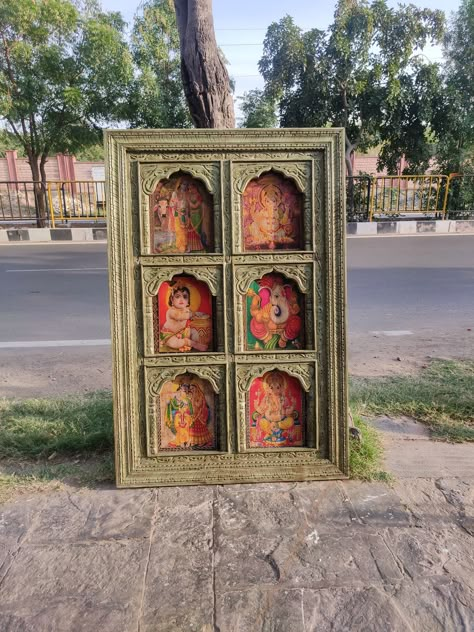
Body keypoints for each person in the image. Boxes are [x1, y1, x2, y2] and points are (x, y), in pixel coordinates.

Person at [159, 285, 207, 352]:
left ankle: (194, 344)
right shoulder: (171, 311)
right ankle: (188, 342)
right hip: (169, 334)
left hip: (183, 332)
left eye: (185, 297)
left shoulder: (187, 310)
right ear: (172, 300)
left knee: (194, 332)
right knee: (173, 343)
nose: (181, 299)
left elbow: (192, 318)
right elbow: (180, 317)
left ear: (188, 302)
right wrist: (194, 314)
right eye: (178, 296)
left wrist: (199, 316)